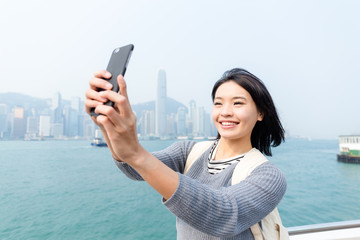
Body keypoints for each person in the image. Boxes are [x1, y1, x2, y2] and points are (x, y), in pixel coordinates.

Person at [85, 68, 287, 239]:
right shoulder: (189, 151)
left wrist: (137, 153)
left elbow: (224, 214)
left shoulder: (269, 176)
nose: (225, 112)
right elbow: (134, 168)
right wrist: (107, 125)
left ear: (260, 113)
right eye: (218, 103)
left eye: (238, 103)